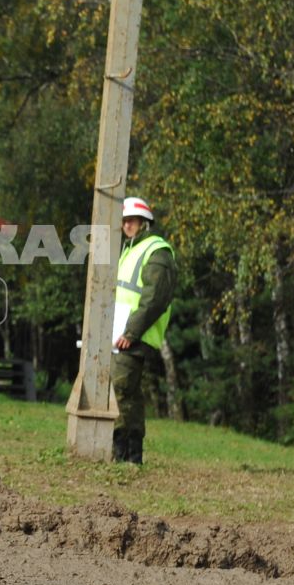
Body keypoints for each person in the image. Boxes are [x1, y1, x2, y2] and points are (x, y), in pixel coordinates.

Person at [112, 195, 176, 465]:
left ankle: (123, 452)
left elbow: (154, 299)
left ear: (145, 222)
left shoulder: (157, 251)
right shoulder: (130, 249)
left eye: (132, 220)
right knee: (129, 393)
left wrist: (131, 333)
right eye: (124, 221)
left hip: (134, 336)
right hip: (122, 334)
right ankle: (131, 456)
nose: (127, 225)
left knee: (121, 389)